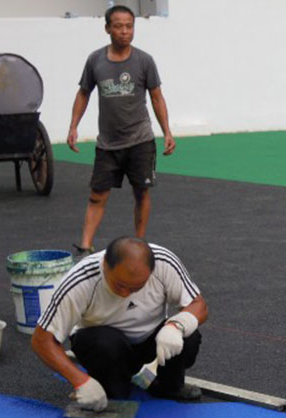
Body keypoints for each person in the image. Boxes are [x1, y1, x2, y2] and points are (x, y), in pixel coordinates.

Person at [31, 236, 207, 411]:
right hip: (106, 346)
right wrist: (80, 381)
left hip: (152, 341)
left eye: (136, 287)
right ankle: (109, 386)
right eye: (119, 285)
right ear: (105, 265)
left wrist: (175, 326)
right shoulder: (81, 279)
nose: (125, 294)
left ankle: (168, 385)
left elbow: (197, 304)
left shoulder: (164, 263)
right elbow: (41, 340)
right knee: (111, 371)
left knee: (188, 333)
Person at [67, 4, 175, 255]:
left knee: (142, 193)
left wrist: (167, 132)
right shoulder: (96, 60)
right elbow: (83, 93)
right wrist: (73, 126)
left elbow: (157, 97)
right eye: (118, 26)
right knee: (97, 195)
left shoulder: (144, 61)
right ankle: (84, 246)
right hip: (108, 144)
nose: (124, 31)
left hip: (140, 141)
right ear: (107, 29)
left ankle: (139, 245)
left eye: (129, 26)